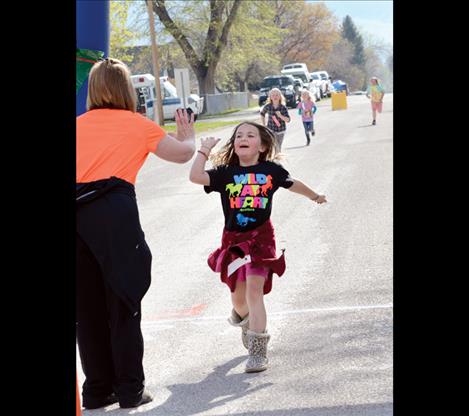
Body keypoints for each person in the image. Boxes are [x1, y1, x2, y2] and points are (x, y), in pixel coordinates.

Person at [76, 58, 196, 409]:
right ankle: (130, 389)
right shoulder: (136, 124)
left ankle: (97, 390)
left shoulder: (78, 125)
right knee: (123, 302)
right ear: (127, 89)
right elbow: (180, 155)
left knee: (87, 308)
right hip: (113, 212)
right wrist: (189, 138)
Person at [189, 121, 327, 373]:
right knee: (239, 299)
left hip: (262, 238)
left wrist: (314, 195)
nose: (243, 137)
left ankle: (258, 352)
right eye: (239, 135)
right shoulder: (225, 173)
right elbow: (195, 177)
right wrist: (204, 151)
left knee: (255, 290)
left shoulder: (271, 171)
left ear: (262, 145)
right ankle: (246, 322)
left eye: (250, 135)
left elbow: (293, 183)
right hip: (233, 241)